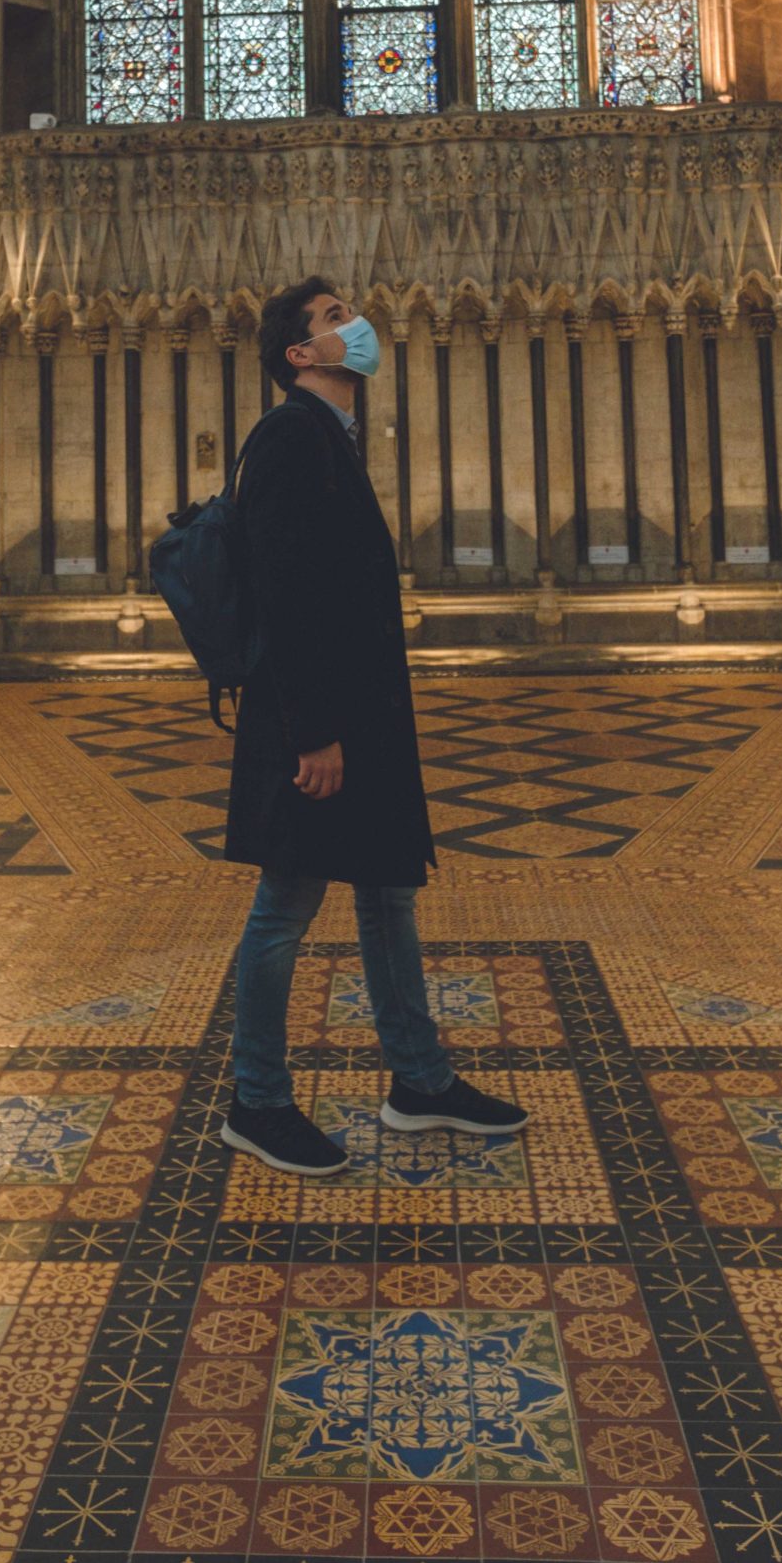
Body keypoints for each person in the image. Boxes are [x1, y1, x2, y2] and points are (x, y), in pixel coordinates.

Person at [219, 276, 529, 1174]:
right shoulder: (289, 436)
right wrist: (313, 732)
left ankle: (418, 1079)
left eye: (350, 312)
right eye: (334, 319)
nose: (358, 327)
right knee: (285, 906)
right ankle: (257, 1099)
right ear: (300, 355)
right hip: (317, 724)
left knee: (387, 890)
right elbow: (282, 592)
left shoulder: (331, 437)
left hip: (361, 715)